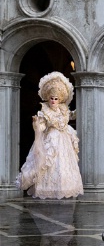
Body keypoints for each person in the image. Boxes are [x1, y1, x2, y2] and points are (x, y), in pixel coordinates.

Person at [16, 71, 83, 200]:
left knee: (64, 165)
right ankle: (48, 189)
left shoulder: (64, 109)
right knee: (49, 162)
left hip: (64, 140)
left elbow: (71, 116)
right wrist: (37, 125)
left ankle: (63, 188)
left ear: (60, 99)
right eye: (52, 98)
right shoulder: (44, 111)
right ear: (48, 98)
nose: (53, 101)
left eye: (56, 99)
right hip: (51, 138)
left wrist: (82, 107)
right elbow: (42, 126)